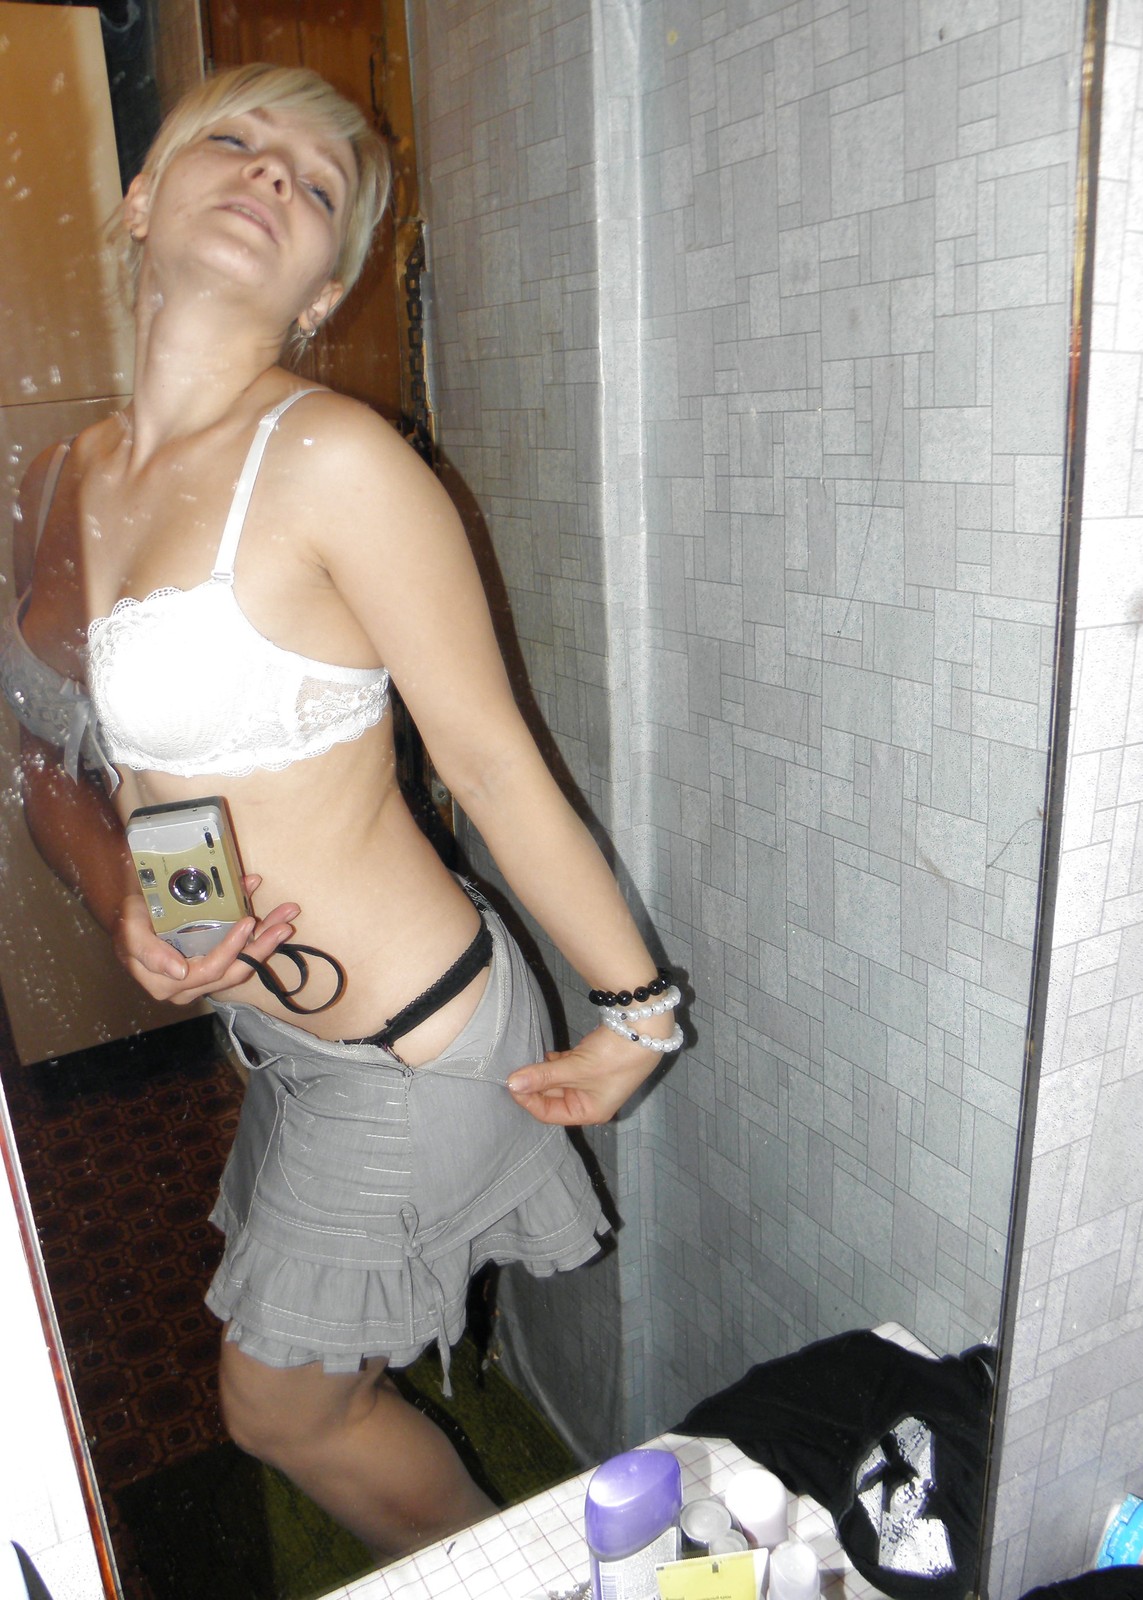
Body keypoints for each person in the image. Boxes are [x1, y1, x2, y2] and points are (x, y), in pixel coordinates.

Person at [0, 62, 683, 1558]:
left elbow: (493, 763)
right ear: (141, 198)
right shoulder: (60, 479)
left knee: (283, 1411)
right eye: (237, 140)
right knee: (309, 1379)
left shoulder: (335, 461)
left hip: (410, 1043)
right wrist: (124, 905)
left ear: (322, 291)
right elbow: (50, 758)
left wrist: (639, 1013)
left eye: (316, 187)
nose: (272, 174)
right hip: (277, 1041)